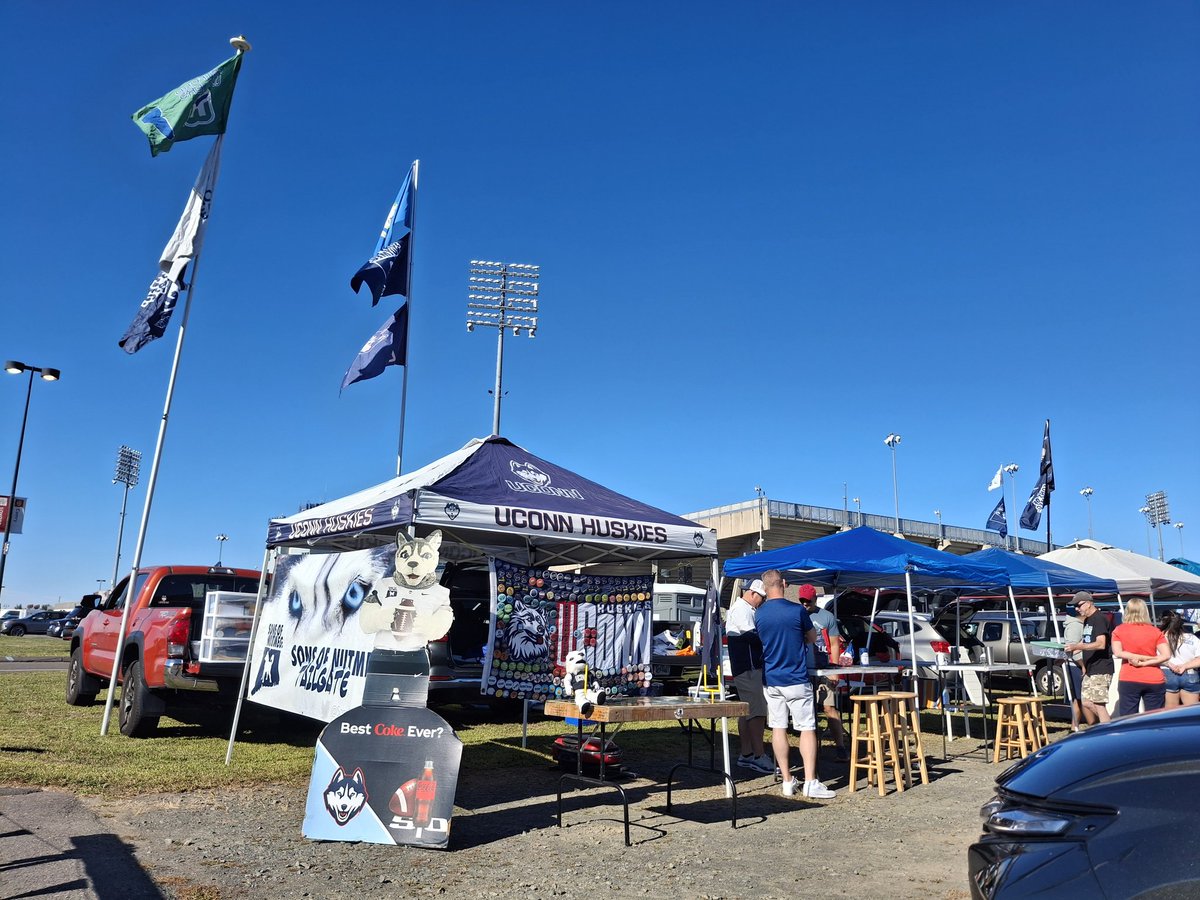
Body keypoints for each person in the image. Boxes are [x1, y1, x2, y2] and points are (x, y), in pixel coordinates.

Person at [754, 569, 836, 800]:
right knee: (806, 728)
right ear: (784, 583)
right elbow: (812, 637)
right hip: (796, 677)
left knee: (778, 727)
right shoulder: (797, 610)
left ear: (764, 587)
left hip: (771, 679)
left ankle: (787, 780)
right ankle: (810, 781)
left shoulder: (759, 614)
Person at [726, 579, 773, 773]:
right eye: (762, 598)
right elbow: (751, 636)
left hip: (746, 668)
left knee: (747, 711)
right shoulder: (742, 609)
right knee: (757, 712)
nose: (762, 602)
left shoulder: (744, 608)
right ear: (754, 594)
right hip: (748, 668)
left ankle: (746, 754)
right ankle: (758, 755)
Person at [799, 584, 849, 761]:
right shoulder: (797, 614)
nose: (805, 604)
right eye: (802, 601)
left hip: (824, 667)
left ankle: (840, 746)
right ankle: (810, 751)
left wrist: (834, 670)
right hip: (803, 669)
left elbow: (835, 644)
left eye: (808, 601)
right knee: (807, 711)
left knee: (829, 708)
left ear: (815, 599)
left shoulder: (826, 617)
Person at [1111, 597, 1169, 716]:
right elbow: (1166, 655)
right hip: (1154, 678)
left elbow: (1118, 652)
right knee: (1155, 719)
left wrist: (1139, 660)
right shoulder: (1155, 631)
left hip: (1129, 677)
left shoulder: (1119, 630)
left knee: (1128, 718)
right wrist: (1147, 661)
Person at [1064, 592, 1112, 725]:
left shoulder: (1099, 619)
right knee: (1086, 702)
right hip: (1090, 668)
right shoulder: (1087, 620)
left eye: (1078, 606)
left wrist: (1078, 646)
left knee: (1099, 704)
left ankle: (1109, 730)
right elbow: (1088, 642)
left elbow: (1101, 644)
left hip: (1101, 667)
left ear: (1088, 603)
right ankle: (1109, 724)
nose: (1076, 609)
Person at [1159, 613, 1200, 708]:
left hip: (1167, 673)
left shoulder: (1161, 638)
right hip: (1190, 673)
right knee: (1191, 712)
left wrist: (1169, 664)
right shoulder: (1193, 638)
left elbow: (1156, 657)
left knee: (1170, 712)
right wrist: (1185, 666)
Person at [1061, 603, 1086, 731]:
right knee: (1079, 699)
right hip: (1076, 665)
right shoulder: (1076, 626)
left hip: (1072, 664)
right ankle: (1075, 726)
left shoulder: (1073, 625)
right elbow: (1075, 650)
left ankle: (1074, 726)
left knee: (1078, 699)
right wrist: (1082, 665)